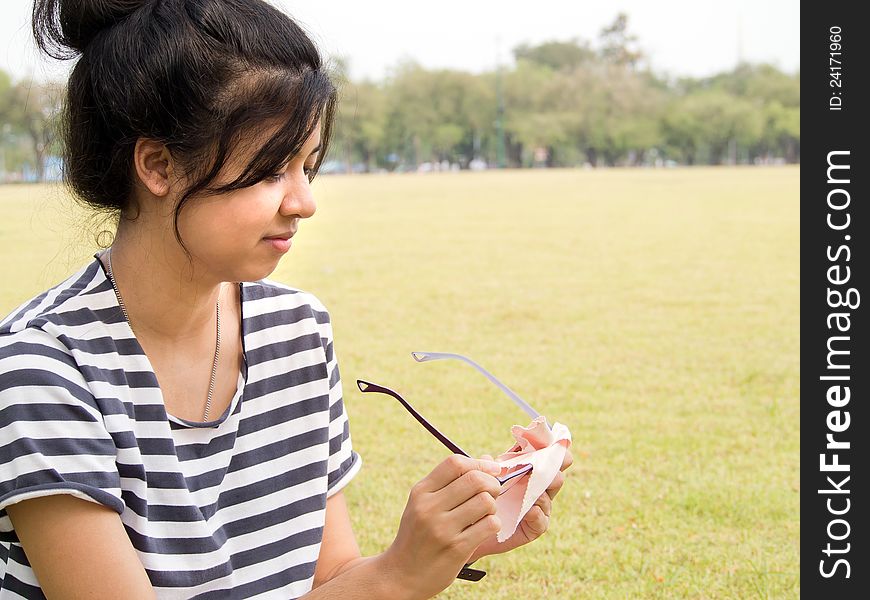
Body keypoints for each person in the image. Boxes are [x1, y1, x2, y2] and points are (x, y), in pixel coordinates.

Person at [0, 1, 573, 597]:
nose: (303, 201)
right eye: (273, 169)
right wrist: (400, 574)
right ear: (159, 165)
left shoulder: (294, 329)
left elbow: (332, 580)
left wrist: (454, 541)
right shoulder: (42, 371)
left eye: (309, 165)